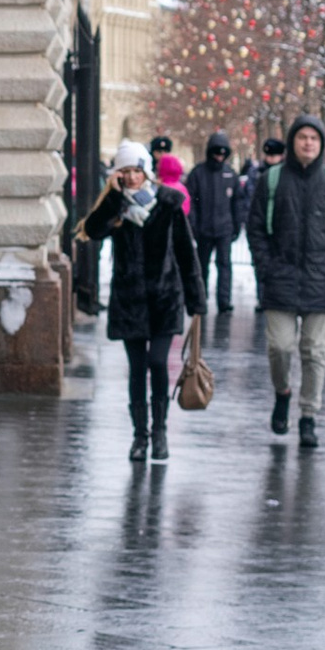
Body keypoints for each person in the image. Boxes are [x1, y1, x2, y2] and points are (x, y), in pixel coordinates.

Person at [79, 138, 205, 465]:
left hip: (164, 298)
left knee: (158, 362)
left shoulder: (169, 203)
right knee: (136, 369)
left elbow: (185, 253)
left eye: (136, 170)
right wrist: (113, 199)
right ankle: (140, 436)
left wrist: (197, 300)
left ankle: (160, 431)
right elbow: (92, 231)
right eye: (126, 171)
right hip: (130, 301)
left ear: (147, 171)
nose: (132, 177)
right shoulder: (116, 206)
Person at [245, 114, 325, 448]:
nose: (308, 143)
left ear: (321, 144)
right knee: (279, 347)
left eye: (314, 138)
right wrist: (265, 268)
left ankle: (309, 415)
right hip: (279, 279)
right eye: (302, 137)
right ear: (293, 141)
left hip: (321, 281)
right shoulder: (272, 179)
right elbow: (255, 229)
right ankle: (282, 392)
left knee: (315, 352)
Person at [185, 132, 241, 315]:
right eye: (216, 153)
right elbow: (190, 200)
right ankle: (201, 299)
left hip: (224, 228)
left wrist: (236, 225)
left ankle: (224, 301)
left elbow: (237, 202)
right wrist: (193, 225)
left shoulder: (230, 174)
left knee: (224, 265)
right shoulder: (198, 173)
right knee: (201, 266)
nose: (219, 156)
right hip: (204, 229)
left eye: (223, 153)